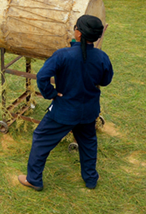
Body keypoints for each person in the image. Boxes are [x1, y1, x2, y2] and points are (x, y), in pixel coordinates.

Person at [18, 15, 113, 192]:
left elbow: (42, 76)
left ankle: (34, 179)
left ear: (78, 33)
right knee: (88, 142)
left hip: (64, 111)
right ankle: (91, 179)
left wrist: (51, 93)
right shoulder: (102, 57)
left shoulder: (63, 54)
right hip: (89, 110)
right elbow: (106, 80)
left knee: (41, 139)